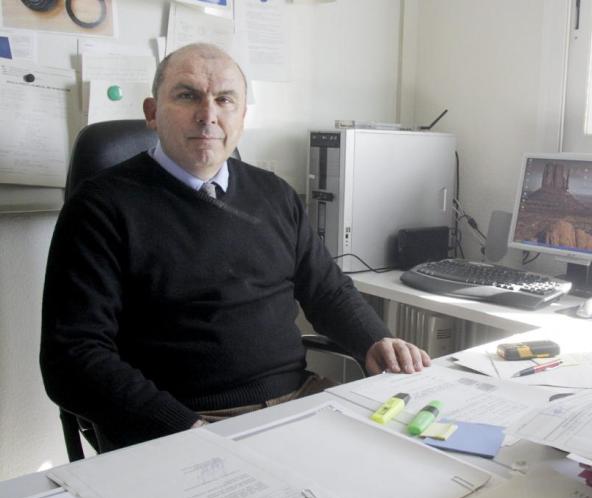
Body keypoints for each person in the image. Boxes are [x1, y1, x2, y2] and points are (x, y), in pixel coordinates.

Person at [40, 43, 430, 451]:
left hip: (299, 400)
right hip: (184, 421)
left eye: (225, 99)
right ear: (152, 113)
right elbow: (72, 356)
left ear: (242, 116)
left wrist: (375, 341)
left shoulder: (276, 195)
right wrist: (182, 427)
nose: (208, 115)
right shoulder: (100, 208)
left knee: (407, 461)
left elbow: (328, 292)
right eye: (187, 95)